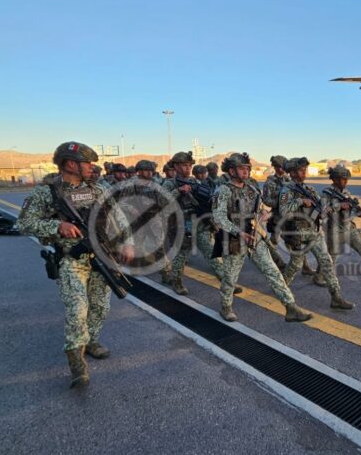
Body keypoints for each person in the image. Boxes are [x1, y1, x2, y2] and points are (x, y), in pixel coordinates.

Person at [17, 141, 134, 388]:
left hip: (102, 255)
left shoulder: (98, 189)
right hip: (71, 260)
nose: (92, 167)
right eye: (87, 163)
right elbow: (24, 223)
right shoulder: (46, 192)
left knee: (101, 307)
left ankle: (91, 341)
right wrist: (57, 226)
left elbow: (118, 217)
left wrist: (127, 243)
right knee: (78, 309)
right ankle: (77, 363)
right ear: (71, 164)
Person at [212, 153, 312, 323]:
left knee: (272, 271)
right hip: (234, 238)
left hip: (253, 235)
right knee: (230, 277)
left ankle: (291, 307)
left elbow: (258, 209)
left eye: (247, 168)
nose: (246, 171)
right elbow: (219, 217)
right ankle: (226, 306)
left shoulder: (251, 189)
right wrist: (239, 232)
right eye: (241, 168)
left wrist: (264, 214)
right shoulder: (223, 190)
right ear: (231, 170)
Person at [279, 157, 354, 310]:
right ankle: (281, 287)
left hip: (313, 231)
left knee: (326, 262)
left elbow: (323, 207)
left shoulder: (309, 189)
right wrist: (300, 202)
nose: (304, 172)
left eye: (305, 169)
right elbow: (283, 211)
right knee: (296, 264)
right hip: (297, 233)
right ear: (292, 173)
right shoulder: (287, 190)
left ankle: (336, 297)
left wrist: (340, 206)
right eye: (301, 170)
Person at [162, 151, 227, 295]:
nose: (188, 168)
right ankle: (177, 282)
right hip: (181, 226)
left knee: (212, 253)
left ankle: (226, 282)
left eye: (189, 165)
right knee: (181, 256)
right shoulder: (169, 184)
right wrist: (179, 191)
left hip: (201, 223)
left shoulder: (195, 182)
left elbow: (207, 200)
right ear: (176, 166)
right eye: (184, 165)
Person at [261, 155, 289, 269]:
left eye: (283, 167)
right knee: (274, 241)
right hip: (277, 216)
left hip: (289, 215)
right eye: (278, 167)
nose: (281, 169)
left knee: (295, 241)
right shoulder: (270, 182)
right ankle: (270, 259)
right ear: (275, 167)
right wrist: (279, 202)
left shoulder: (288, 180)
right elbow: (266, 200)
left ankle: (305, 266)